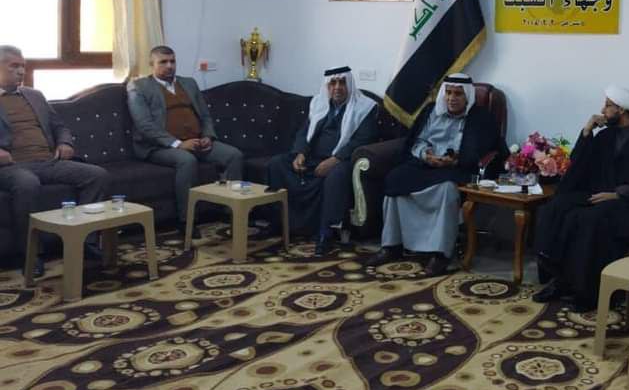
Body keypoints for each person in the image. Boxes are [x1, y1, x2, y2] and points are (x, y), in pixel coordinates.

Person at [532, 85, 629, 311]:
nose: (602, 110)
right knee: (554, 207)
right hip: (596, 193)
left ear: (621, 109)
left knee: (587, 219)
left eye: (607, 105)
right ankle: (559, 279)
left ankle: (588, 292)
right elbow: (579, 166)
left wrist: (617, 194)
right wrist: (587, 132)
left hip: (627, 201)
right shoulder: (605, 135)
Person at [365, 74, 506, 277]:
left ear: (467, 96)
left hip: (458, 168)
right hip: (426, 164)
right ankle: (391, 246)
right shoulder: (432, 111)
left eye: (458, 94)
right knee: (395, 179)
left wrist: (456, 160)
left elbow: (482, 148)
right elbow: (418, 140)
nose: (452, 98)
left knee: (446, 189)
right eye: (448, 93)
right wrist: (426, 155)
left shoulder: (480, 118)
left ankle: (440, 254)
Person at [0, 45, 109, 276]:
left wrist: (65, 143)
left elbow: (59, 126)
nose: (21, 71)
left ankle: (85, 242)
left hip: (48, 161)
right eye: (14, 66)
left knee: (96, 175)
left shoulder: (34, 95)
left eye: (23, 66)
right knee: (27, 183)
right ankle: (30, 254)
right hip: (12, 166)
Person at [266, 66, 378, 256]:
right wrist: (300, 153)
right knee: (276, 164)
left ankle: (326, 233)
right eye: (332, 83)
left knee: (336, 176)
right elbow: (304, 132)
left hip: (342, 160)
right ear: (327, 86)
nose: (337, 87)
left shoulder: (365, 108)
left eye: (342, 82)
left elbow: (363, 140)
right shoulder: (319, 104)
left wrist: (334, 160)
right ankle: (279, 222)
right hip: (312, 158)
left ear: (349, 84)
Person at [127, 45, 243, 223]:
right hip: (159, 147)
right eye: (163, 62)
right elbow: (145, 125)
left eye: (172, 61)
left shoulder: (189, 83)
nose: (169, 66)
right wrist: (178, 144)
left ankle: (231, 213)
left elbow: (205, 116)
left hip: (197, 141)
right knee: (187, 160)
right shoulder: (139, 87)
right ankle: (187, 220)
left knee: (234, 155)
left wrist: (208, 136)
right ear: (151, 64)